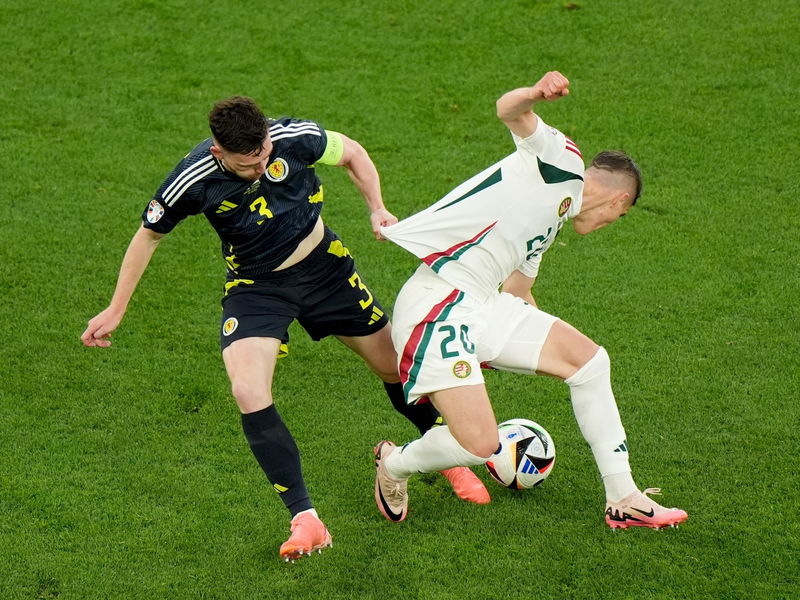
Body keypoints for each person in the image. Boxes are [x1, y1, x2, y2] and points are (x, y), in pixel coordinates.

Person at [81, 96, 489, 562]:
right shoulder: (192, 180)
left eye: (264, 155)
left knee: (395, 365)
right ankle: (305, 518)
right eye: (247, 164)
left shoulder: (293, 138)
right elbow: (148, 234)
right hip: (257, 288)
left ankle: (442, 449)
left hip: (325, 271)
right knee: (247, 390)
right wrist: (116, 308)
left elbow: (353, 152)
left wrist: (377, 206)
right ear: (219, 152)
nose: (261, 167)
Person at [373, 71, 688, 530]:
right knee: (479, 444)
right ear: (620, 199)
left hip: (480, 303)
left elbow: (517, 297)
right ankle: (393, 464)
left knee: (588, 362)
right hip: (436, 304)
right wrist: (535, 94)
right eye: (618, 216)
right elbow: (508, 109)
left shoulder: (551, 221)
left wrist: (539, 353)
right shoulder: (563, 161)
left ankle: (624, 497)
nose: (608, 224)